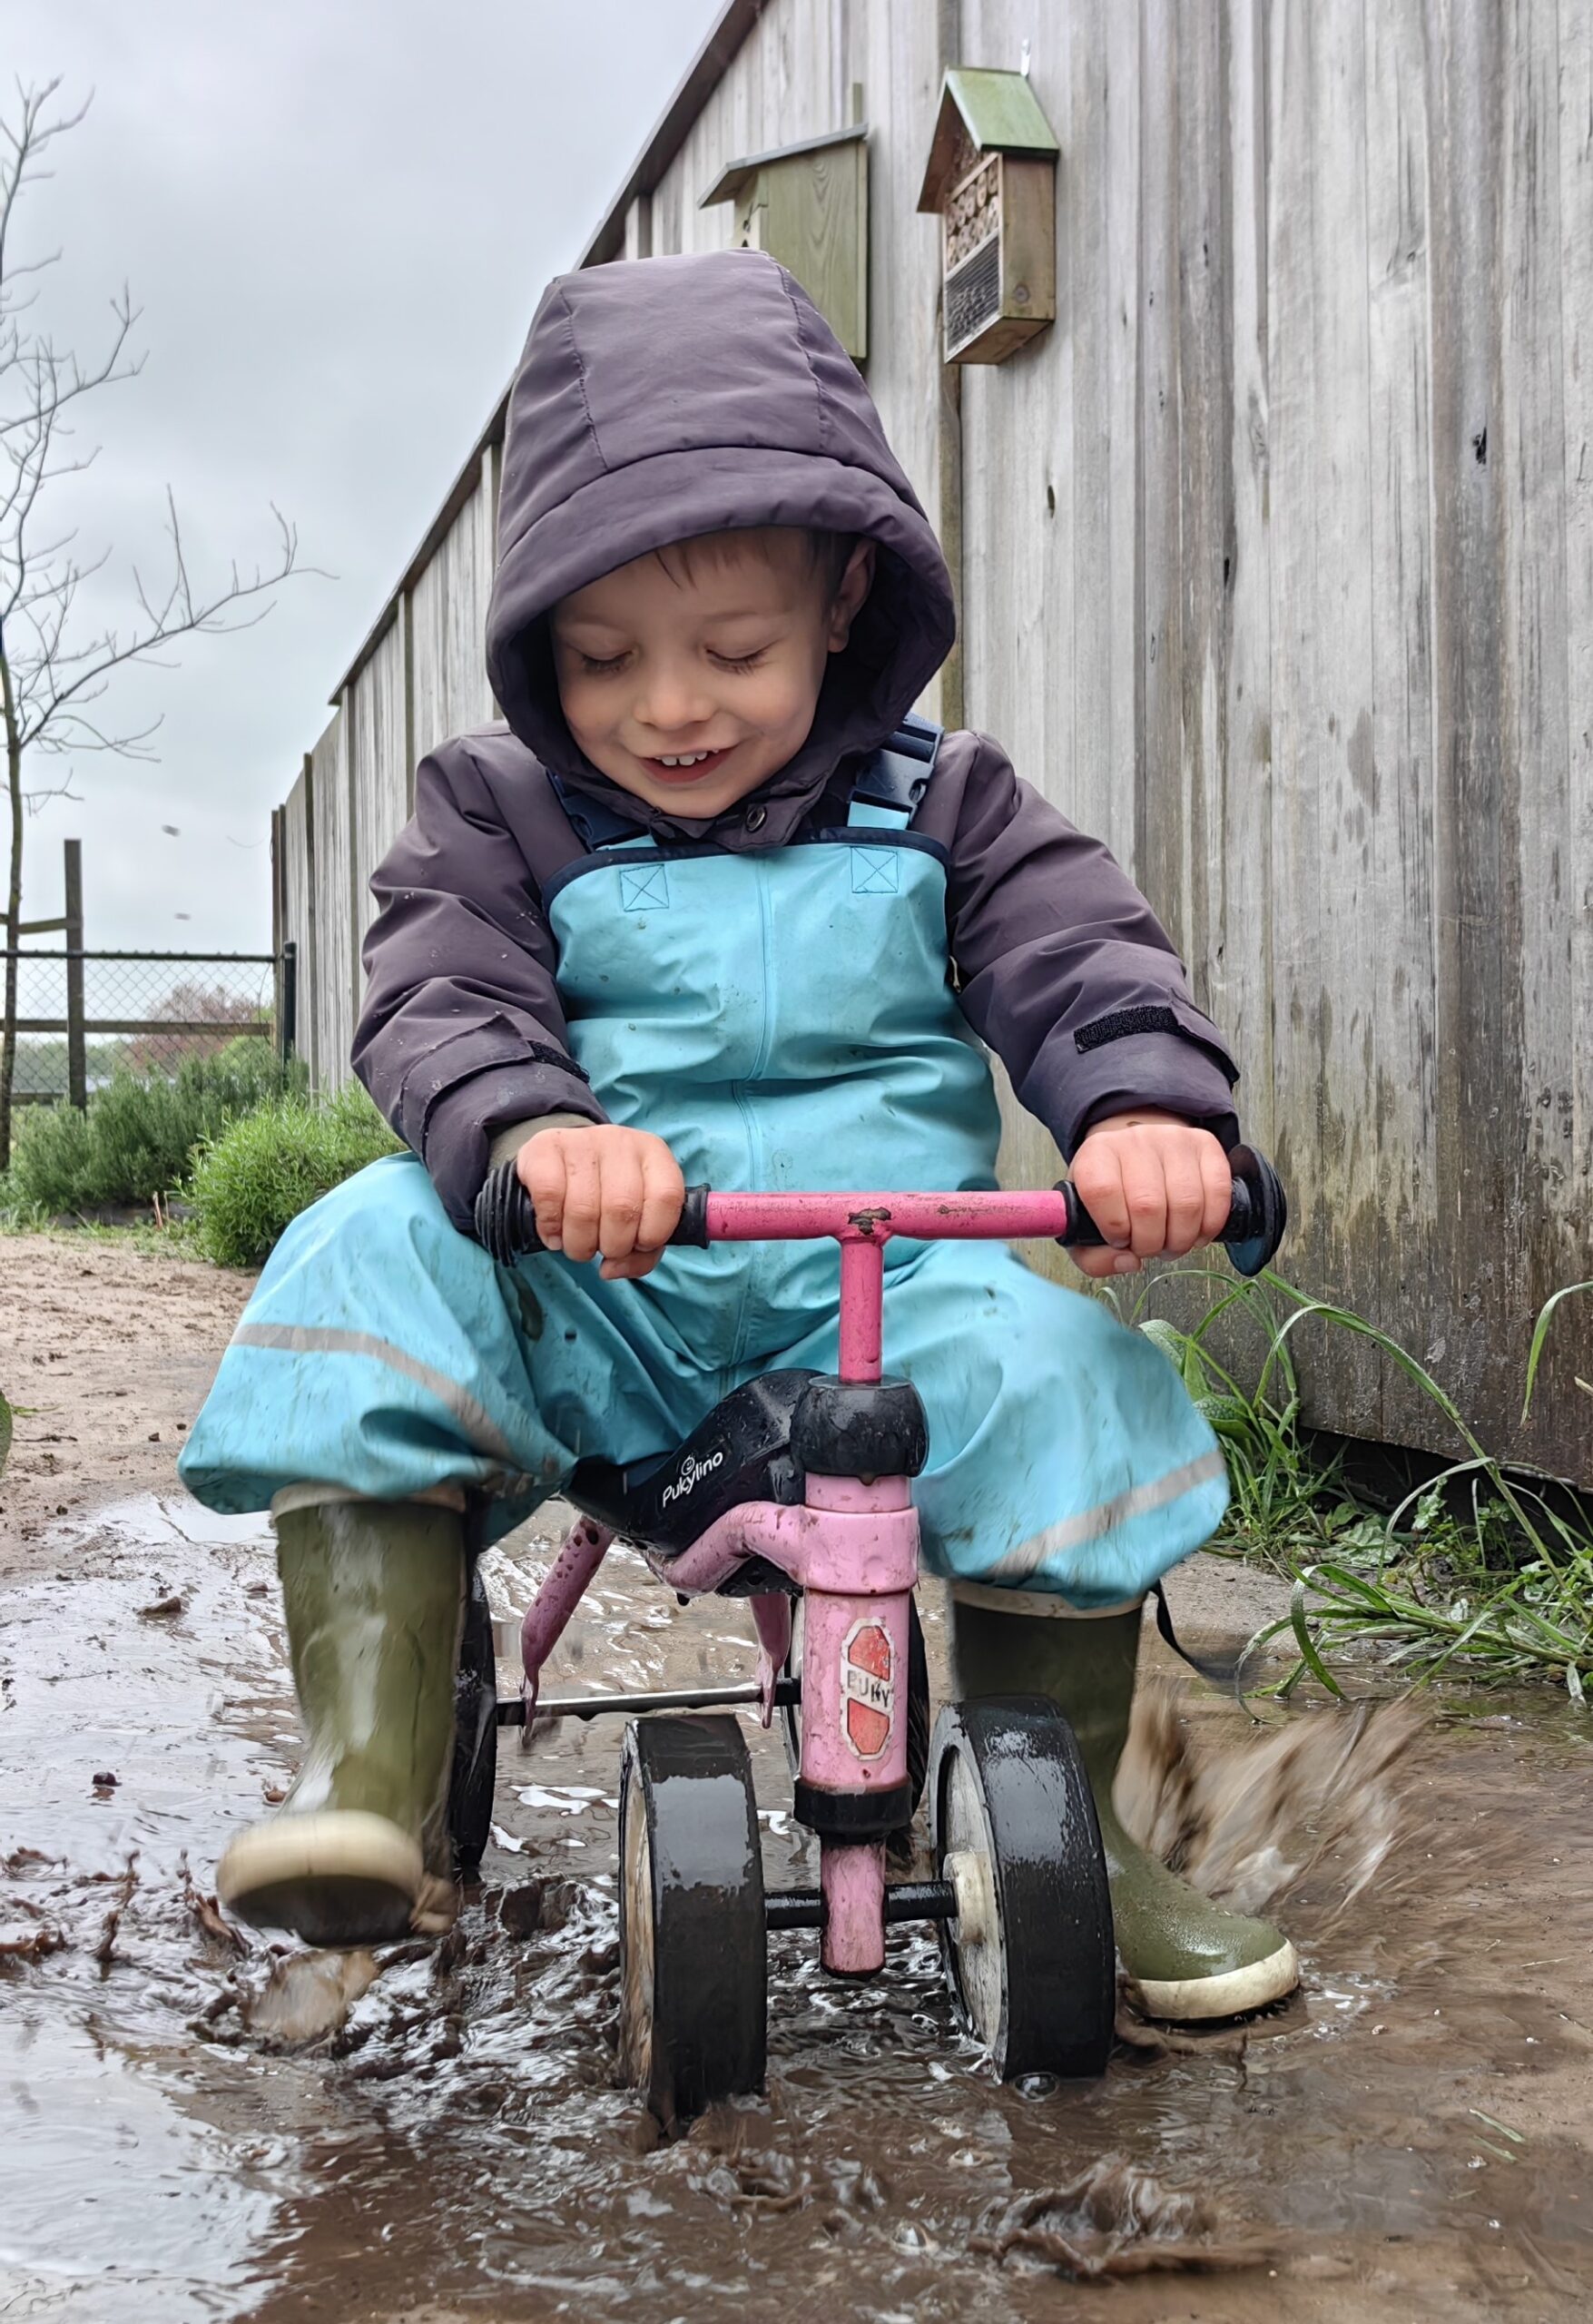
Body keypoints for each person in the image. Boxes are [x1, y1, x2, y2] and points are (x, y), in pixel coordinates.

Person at [181, 249, 1296, 2021]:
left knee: (1065, 1366)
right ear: (538, 639)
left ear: (845, 598)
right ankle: (365, 1776)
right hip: (599, 1286)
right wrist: (535, 1126)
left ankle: (1074, 1834)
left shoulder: (947, 808)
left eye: (732, 649)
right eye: (604, 656)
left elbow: (1076, 956)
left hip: (890, 1296)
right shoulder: (505, 811)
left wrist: (1145, 1113)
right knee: (371, 1241)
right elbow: (437, 988)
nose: (670, 705)